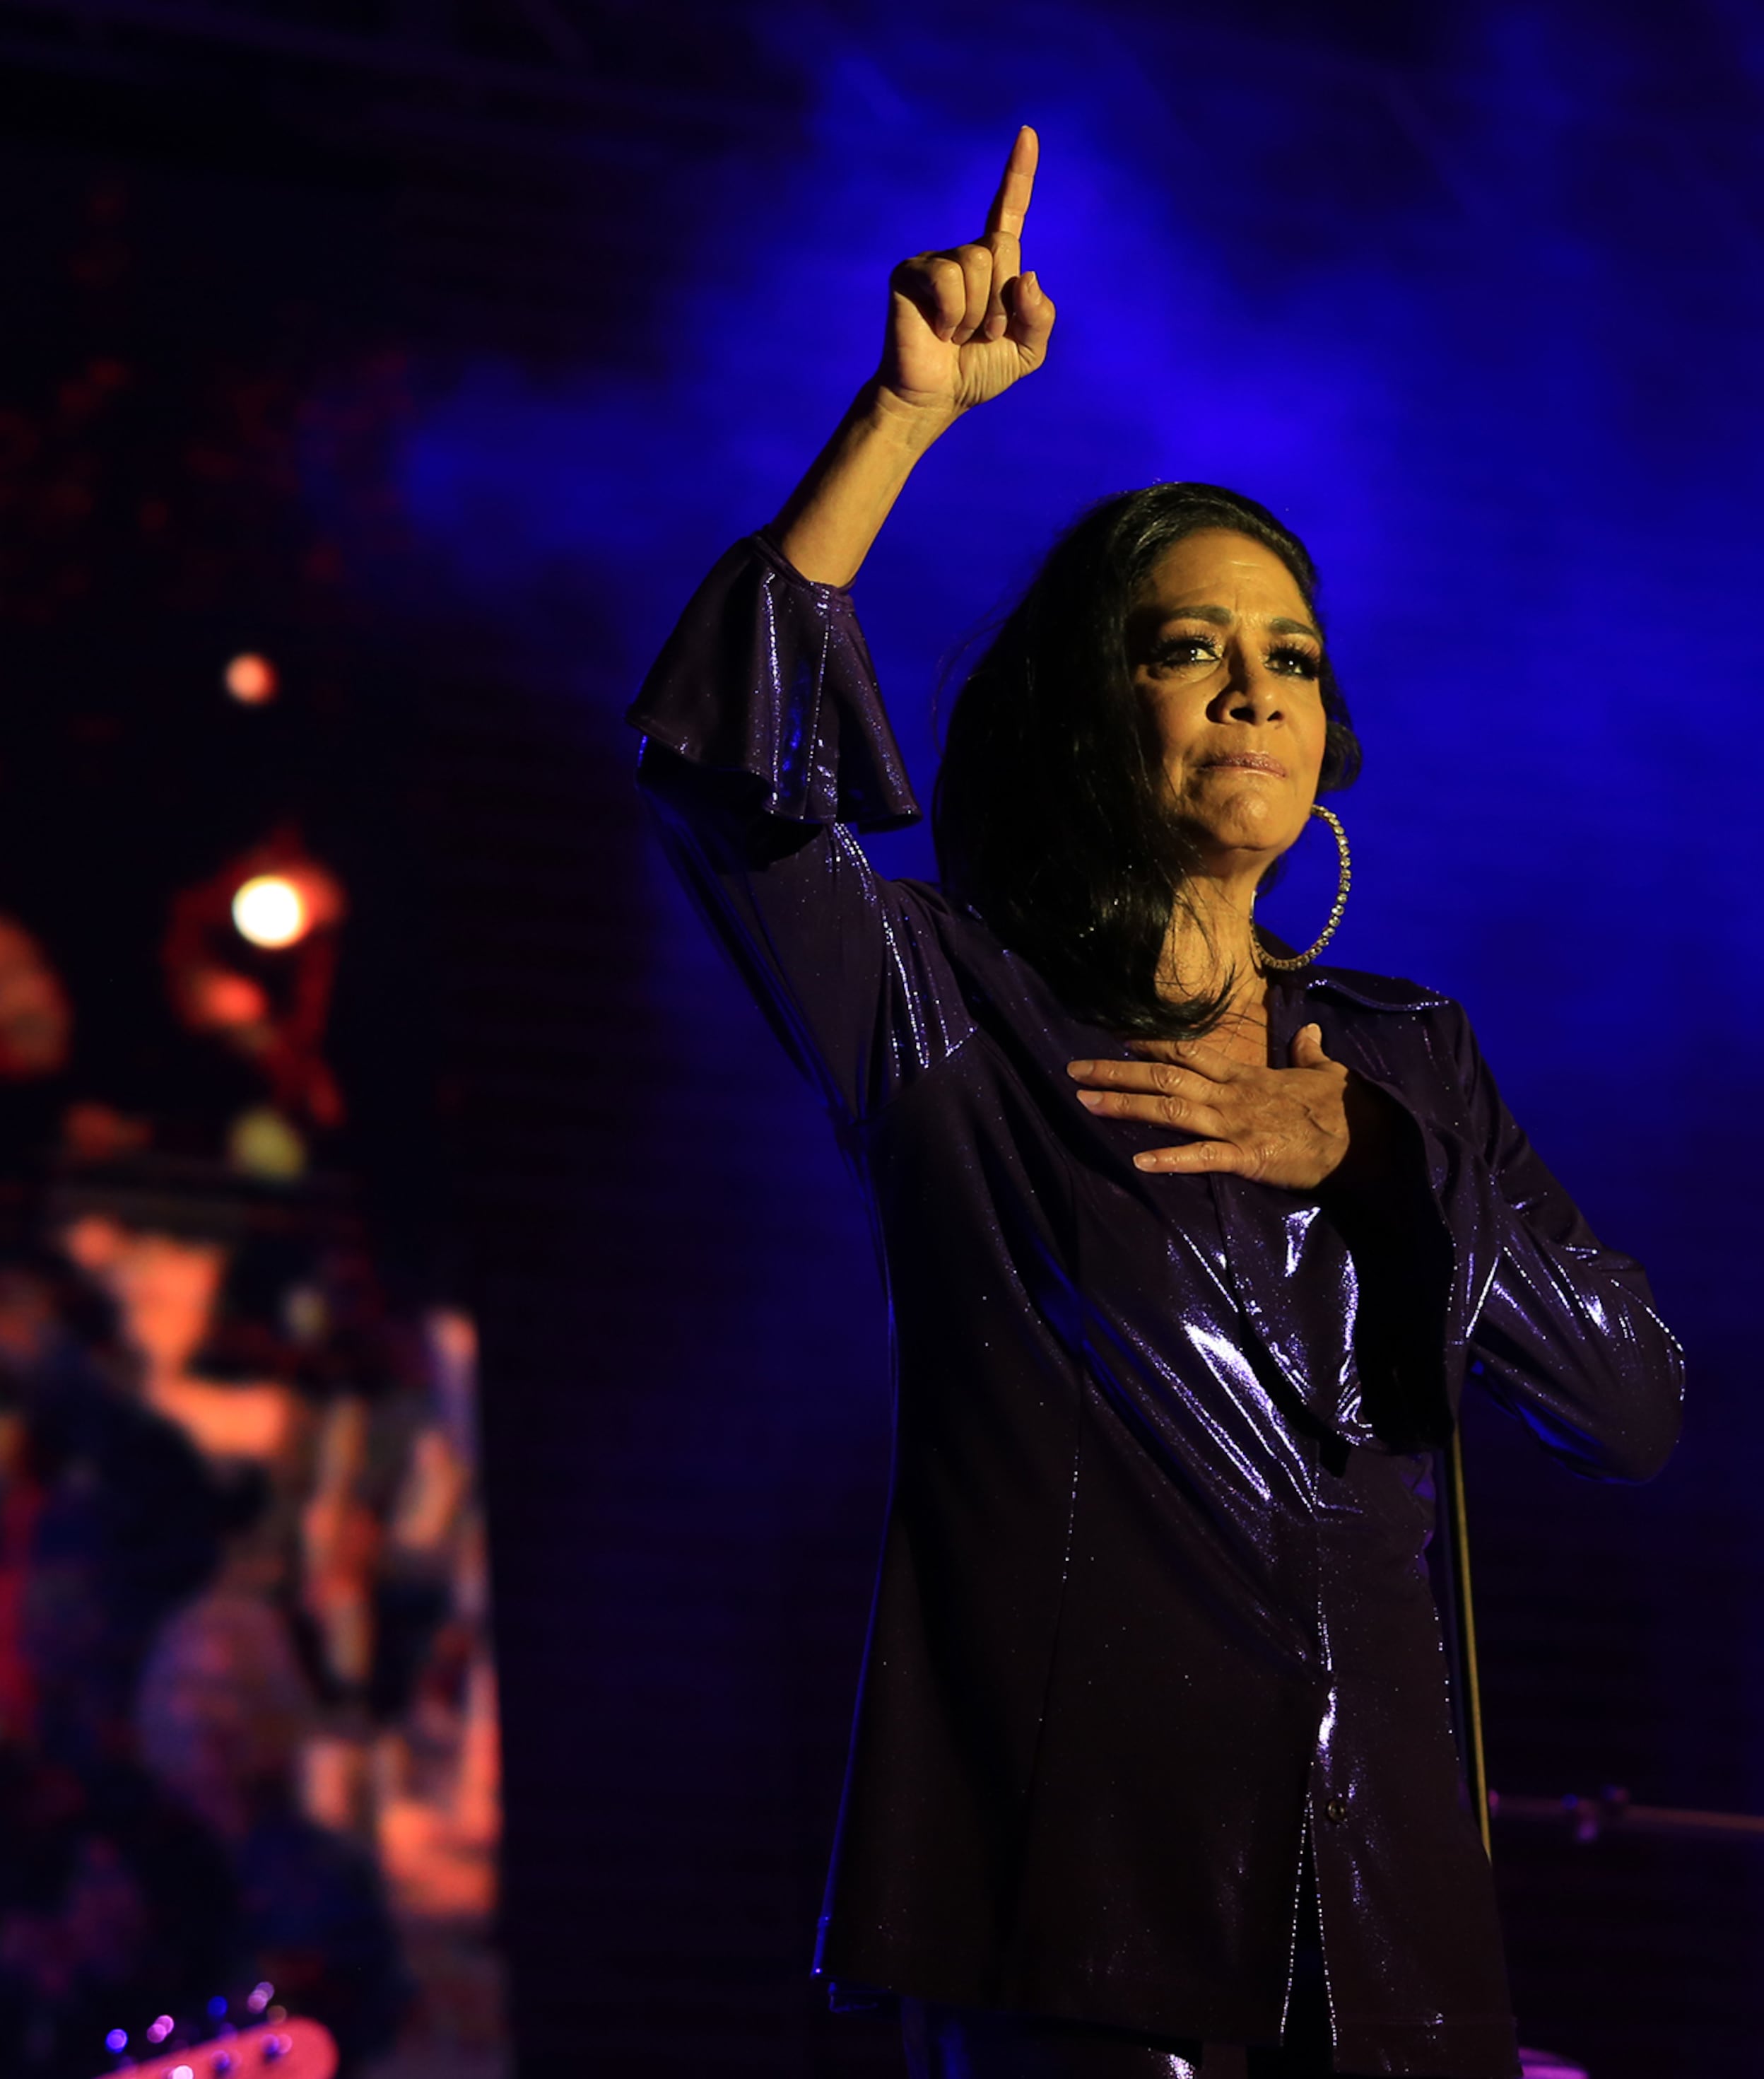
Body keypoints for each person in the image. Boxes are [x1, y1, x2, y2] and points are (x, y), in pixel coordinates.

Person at [628, 127, 1686, 2079]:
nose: (1254, 691)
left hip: (1387, 1925)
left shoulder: (1407, 1058)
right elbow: (721, 779)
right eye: (1191, 651)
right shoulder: (955, 1013)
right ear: (1090, 717)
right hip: (1081, 1913)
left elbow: (1628, 1403)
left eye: (1291, 659)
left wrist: (1373, 1157)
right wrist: (900, 419)